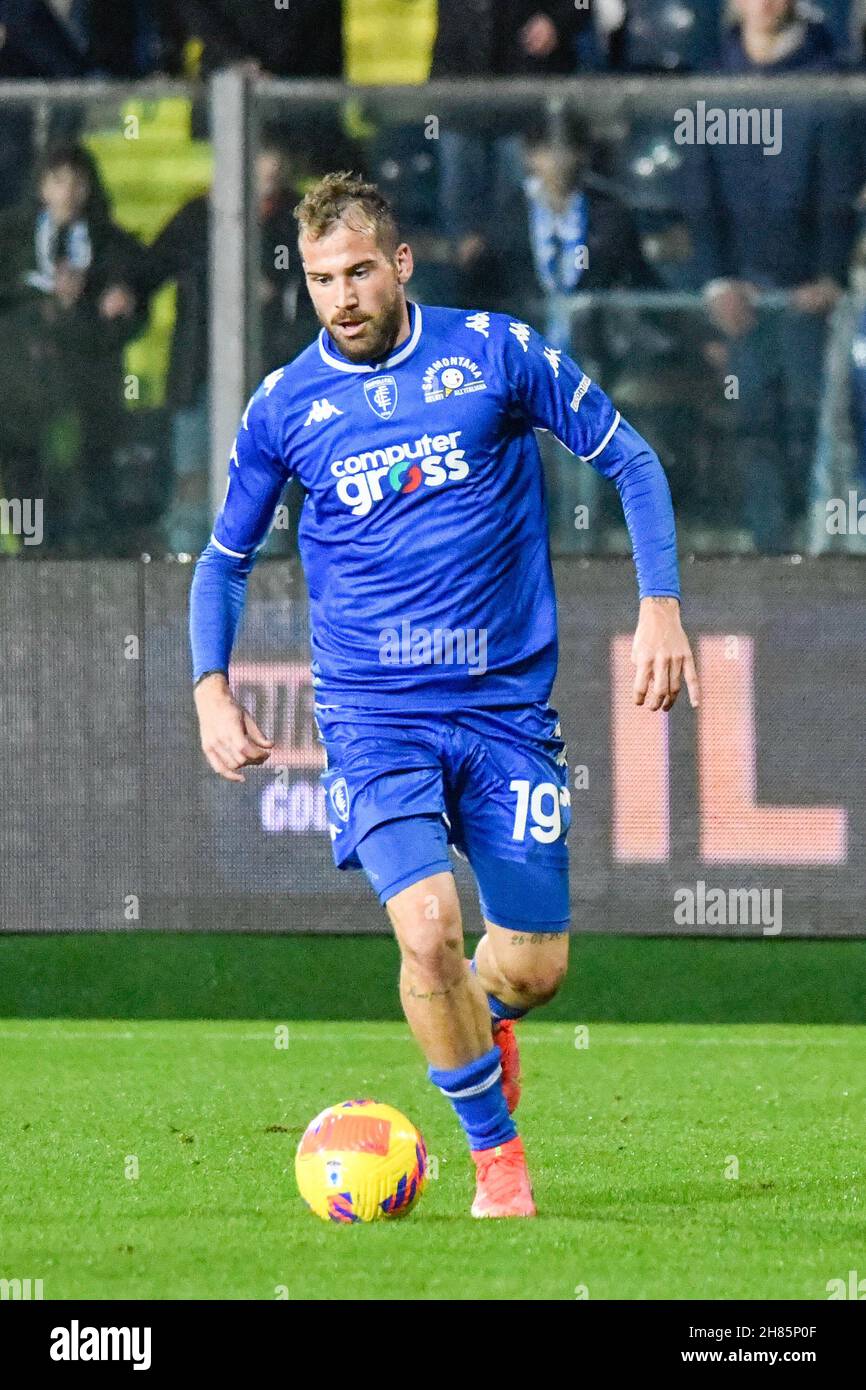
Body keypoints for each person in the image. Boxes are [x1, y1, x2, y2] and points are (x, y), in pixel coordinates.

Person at [188, 173, 698, 1218]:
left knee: (533, 966)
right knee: (425, 928)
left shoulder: (494, 355)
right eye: (322, 278)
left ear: (400, 262)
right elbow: (223, 559)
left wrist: (659, 606)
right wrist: (209, 686)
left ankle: (478, 1012)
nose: (341, 295)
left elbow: (632, 461)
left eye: (359, 271)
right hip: (374, 719)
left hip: (506, 712)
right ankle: (496, 1165)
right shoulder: (285, 406)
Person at [683, 0, 859, 550]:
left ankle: (814, 561)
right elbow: (699, 194)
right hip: (742, 298)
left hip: (810, 297)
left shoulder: (826, 81)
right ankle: (768, 553)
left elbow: (840, 189)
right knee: (754, 425)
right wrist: (718, 282)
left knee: (811, 426)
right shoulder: (710, 83)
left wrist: (830, 276)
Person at [0, 142, 145, 552]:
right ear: (42, 187)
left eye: (77, 182)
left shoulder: (113, 245)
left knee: (89, 476)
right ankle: (33, 555)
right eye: (58, 181)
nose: (67, 192)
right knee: (25, 477)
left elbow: (134, 313)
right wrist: (46, 302)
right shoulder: (9, 238)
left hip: (88, 389)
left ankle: (88, 559)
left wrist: (117, 306)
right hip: (21, 391)